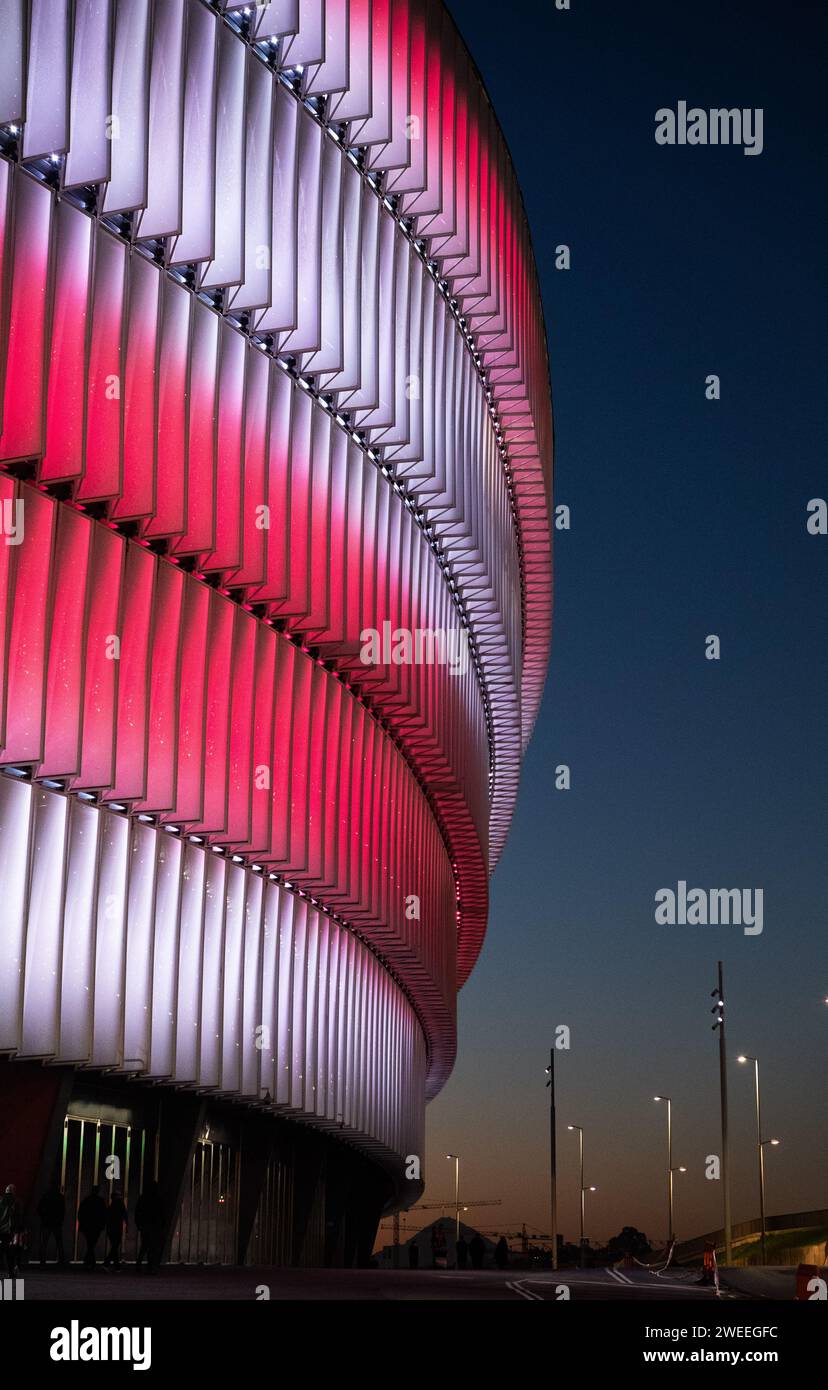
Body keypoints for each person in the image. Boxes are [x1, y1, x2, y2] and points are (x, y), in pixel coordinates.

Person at [135, 1181, 164, 1273]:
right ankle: (150, 1267)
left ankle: (139, 1265)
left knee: (144, 1246)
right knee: (152, 1247)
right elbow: (162, 1214)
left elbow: (137, 1213)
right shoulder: (158, 1199)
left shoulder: (143, 1198)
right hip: (154, 1226)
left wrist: (139, 1225)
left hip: (145, 1226)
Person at [77, 1185, 107, 1269]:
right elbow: (104, 1214)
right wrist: (103, 1224)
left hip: (87, 1225)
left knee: (90, 1243)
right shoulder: (100, 1201)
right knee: (92, 1243)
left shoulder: (87, 1200)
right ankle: (90, 1261)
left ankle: (89, 1261)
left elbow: (81, 1213)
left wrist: (82, 1223)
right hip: (96, 1226)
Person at [37, 1185, 66, 1266]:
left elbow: (39, 1209)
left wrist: (43, 1217)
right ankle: (61, 1260)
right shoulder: (60, 1197)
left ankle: (42, 1260)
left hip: (46, 1222)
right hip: (56, 1223)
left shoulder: (46, 1196)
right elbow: (62, 1211)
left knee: (44, 1243)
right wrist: (60, 1220)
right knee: (59, 1242)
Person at [0, 1184, 23, 1277]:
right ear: (13, 1191)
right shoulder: (16, 1201)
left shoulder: (0, 1200)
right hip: (9, 1231)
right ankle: (10, 1273)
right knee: (10, 1253)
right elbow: (19, 1217)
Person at [103, 1188, 128, 1271]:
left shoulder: (111, 1206)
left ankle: (115, 1266)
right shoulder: (120, 1204)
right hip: (117, 1228)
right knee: (115, 1246)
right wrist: (127, 1225)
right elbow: (125, 1215)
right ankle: (107, 1264)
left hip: (111, 1228)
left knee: (114, 1246)